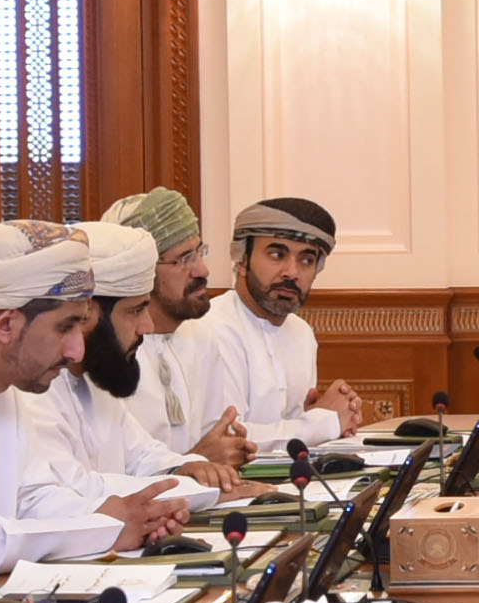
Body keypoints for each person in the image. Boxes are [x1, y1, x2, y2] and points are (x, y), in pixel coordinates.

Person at [0, 220, 193, 565]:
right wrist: (102, 528)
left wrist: (121, 518)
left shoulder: (6, 380)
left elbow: (33, 497)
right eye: (65, 327)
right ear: (6, 324)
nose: (76, 352)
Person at [27, 219, 247, 514]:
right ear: (88, 314)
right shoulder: (34, 387)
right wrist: (202, 492)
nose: (147, 326)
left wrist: (189, 468)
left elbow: (143, 454)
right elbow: (74, 491)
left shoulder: (97, 375)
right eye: (135, 311)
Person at [162, 196, 368, 450]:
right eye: (277, 254)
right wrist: (323, 423)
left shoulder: (302, 334)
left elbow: (291, 433)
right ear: (242, 259)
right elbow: (227, 438)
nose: (292, 272)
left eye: (306, 260)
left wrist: (322, 416)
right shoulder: (208, 328)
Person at [99, 185, 248, 471]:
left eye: (199, 252)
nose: (202, 270)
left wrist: (230, 449)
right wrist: (196, 461)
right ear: (144, 271)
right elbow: (112, 475)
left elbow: (213, 436)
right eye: (184, 258)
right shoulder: (106, 352)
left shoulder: (202, 335)